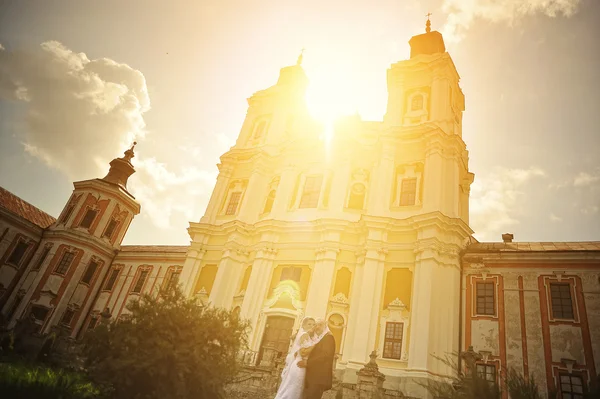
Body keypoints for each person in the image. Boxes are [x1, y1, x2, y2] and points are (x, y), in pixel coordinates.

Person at [274, 317, 316, 399]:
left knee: (291, 388)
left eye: (313, 324)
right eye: (309, 324)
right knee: (293, 389)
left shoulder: (303, 334)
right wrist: (315, 345)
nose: (312, 326)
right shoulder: (305, 334)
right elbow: (303, 352)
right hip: (299, 365)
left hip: (297, 364)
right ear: (303, 325)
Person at [297, 318, 335, 399]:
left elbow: (325, 356)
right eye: (316, 325)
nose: (317, 327)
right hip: (312, 376)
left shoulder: (329, 338)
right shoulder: (320, 338)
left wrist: (307, 363)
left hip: (318, 377)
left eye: (320, 325)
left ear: (325, 326)